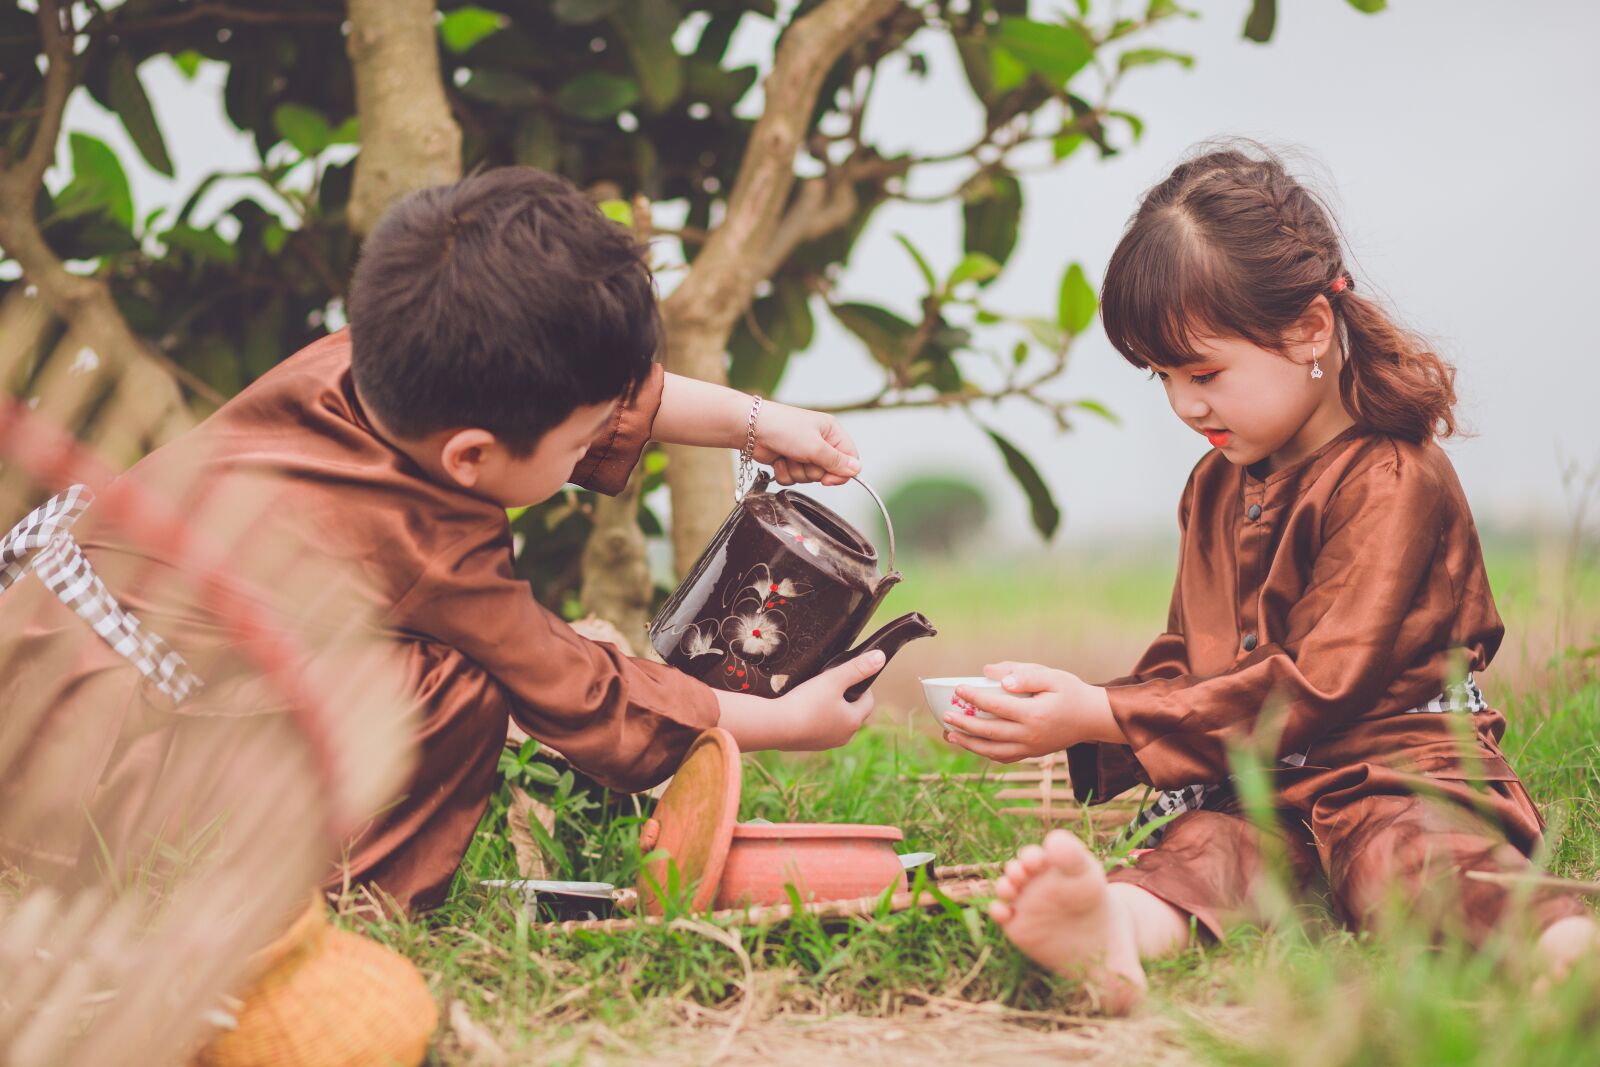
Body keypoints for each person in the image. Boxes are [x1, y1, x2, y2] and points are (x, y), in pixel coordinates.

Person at [0, 167, 883, 913]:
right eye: (582, 443)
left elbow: (580, 384)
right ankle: (347, 912)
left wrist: (754, 422)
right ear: (471, 456)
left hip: (40, 679)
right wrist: (780, 720)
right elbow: (576, 688)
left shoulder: (354, 363)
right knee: (457, 684)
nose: (597, 447)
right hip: (87, 783)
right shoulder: (427, 542)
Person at [941, 145, 1599, 1013]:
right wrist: (1068, 705)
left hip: (1394, 769)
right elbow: (1189, 661)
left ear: (1309, 331)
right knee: (1207, 851)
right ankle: (1112, 929)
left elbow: (1323, 680)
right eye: (1163, 377)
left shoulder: (1389, 475)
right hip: (1256, 782)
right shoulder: (1214, 484)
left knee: (1409, 862)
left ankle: (1563, 947)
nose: (1185, 405)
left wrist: (1105, 715)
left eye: (1204, 371)